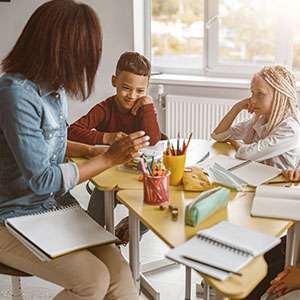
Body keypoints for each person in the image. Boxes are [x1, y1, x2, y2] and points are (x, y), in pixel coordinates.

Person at [0, 1, 150, 299]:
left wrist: (92, 151)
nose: (91, 60)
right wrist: (108, 158)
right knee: (93, 281)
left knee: (121, 279)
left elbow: (46, 145)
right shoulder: (14, 94)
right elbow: (41, 178)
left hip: (52, 207)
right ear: (59, 49)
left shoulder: (54, 91)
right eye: (87, 51)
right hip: (11, 215)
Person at [68, 51, 161, 243]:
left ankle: (127, 228)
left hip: (138, 177)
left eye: (140, 91)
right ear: (114, 81)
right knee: (93, 222)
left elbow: (153, 138)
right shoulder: (105, 108)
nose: (132, 96)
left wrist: (148, 103)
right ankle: (99, 243)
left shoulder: (143, 108)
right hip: (109, 177)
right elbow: (72, 131)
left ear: (146, 88)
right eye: (126, 88)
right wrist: (106, 137)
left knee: (158, 206)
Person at [212, 65, 300, 170]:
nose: (252, 100)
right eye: (252, 93)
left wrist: (234, 142)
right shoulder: (260, 119)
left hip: (279, 183)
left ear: (279, 96)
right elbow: (218, 135)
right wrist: (237, 108)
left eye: (260, 94)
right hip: (258, 176)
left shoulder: (289, 128)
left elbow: (245, 155)